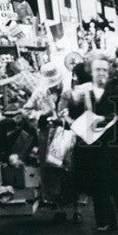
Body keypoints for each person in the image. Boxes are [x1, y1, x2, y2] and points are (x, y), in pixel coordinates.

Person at [67, 55, 118, 232]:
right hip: (91, 148)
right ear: (91, 72)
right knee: (97, 184)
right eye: (98, 69)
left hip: (111, 146)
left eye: (105, 70)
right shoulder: (83, 92)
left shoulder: (114, 93)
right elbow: (73, 114)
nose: (101, 73)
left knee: (115, 181)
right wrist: (74, 102)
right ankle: (104, 221)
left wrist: (105, 120)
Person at [22, 61, 79, 222]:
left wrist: (68, 117)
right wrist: (41, 115)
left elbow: (79, 112)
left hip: (66, 135)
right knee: (52, 174)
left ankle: (75, 209)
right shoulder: (39, 93)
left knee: (69, 172)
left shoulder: (68, 93)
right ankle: (59, 208)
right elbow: (26, 110)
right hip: (47, 137)